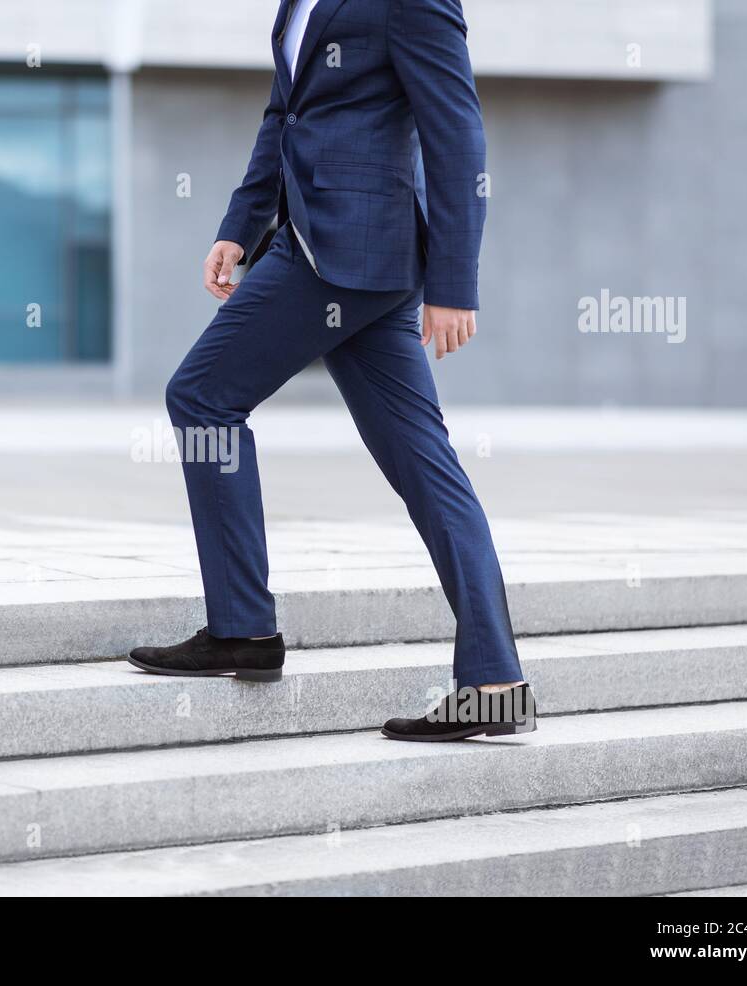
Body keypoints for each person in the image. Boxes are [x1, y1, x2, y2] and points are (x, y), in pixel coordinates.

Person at [128, 0, 535, 741]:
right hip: (331, 248)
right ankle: (495, 682)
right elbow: (282, 114)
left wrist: (454, 283)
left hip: (344, 253)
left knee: (202, 396)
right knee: (427, 465)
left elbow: (457, 133)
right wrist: (240, 224)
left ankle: (242, 627)